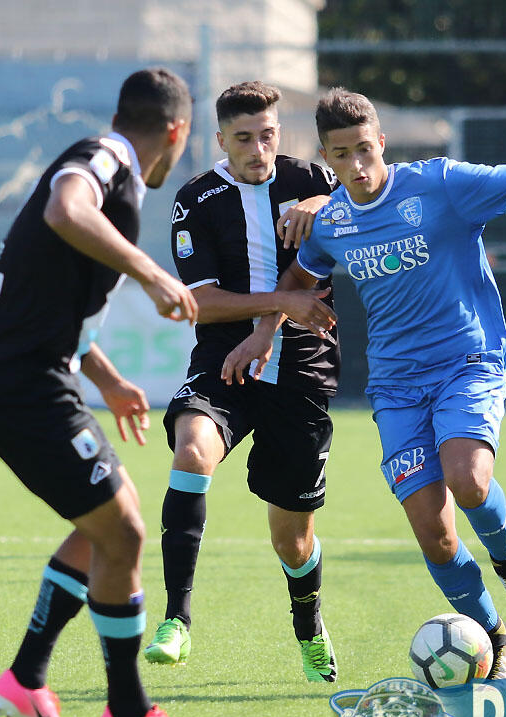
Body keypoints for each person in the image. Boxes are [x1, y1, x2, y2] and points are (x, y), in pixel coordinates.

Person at [224, 87, 506, 678]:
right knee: (434, 535)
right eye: (342, 155)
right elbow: (297, 278)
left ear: (382, 142)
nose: (358, 165)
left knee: (468, 480)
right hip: (396, 387)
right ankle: (494, 638)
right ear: (326, 157)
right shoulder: (331, 222)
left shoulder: (440, 184)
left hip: (467, 361)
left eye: (365, 149)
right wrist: (267, 329)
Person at [0, 68, 215, 717]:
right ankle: (127, 714)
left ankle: (26, 680)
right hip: (18, 378)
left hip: (30, 372)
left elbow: (54, 302)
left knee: (109, 525)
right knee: (123, 530)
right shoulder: (105, 157)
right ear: (176, 131)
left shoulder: (117, 176)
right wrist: (152, 273)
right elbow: (64, 210)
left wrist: (109, 378)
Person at [143, 81, 341, 682]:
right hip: (225, 362)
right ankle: (176, 620)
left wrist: (326, 203)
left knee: (293, 539)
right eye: (244, 138)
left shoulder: (313, 181)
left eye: (268, 135)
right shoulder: (196, 200)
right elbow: (201, 301)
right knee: (192, 450)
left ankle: (308, 627)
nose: (259, 149)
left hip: (302, 371)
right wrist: (281, 304)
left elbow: (370, 194)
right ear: (221, 141)